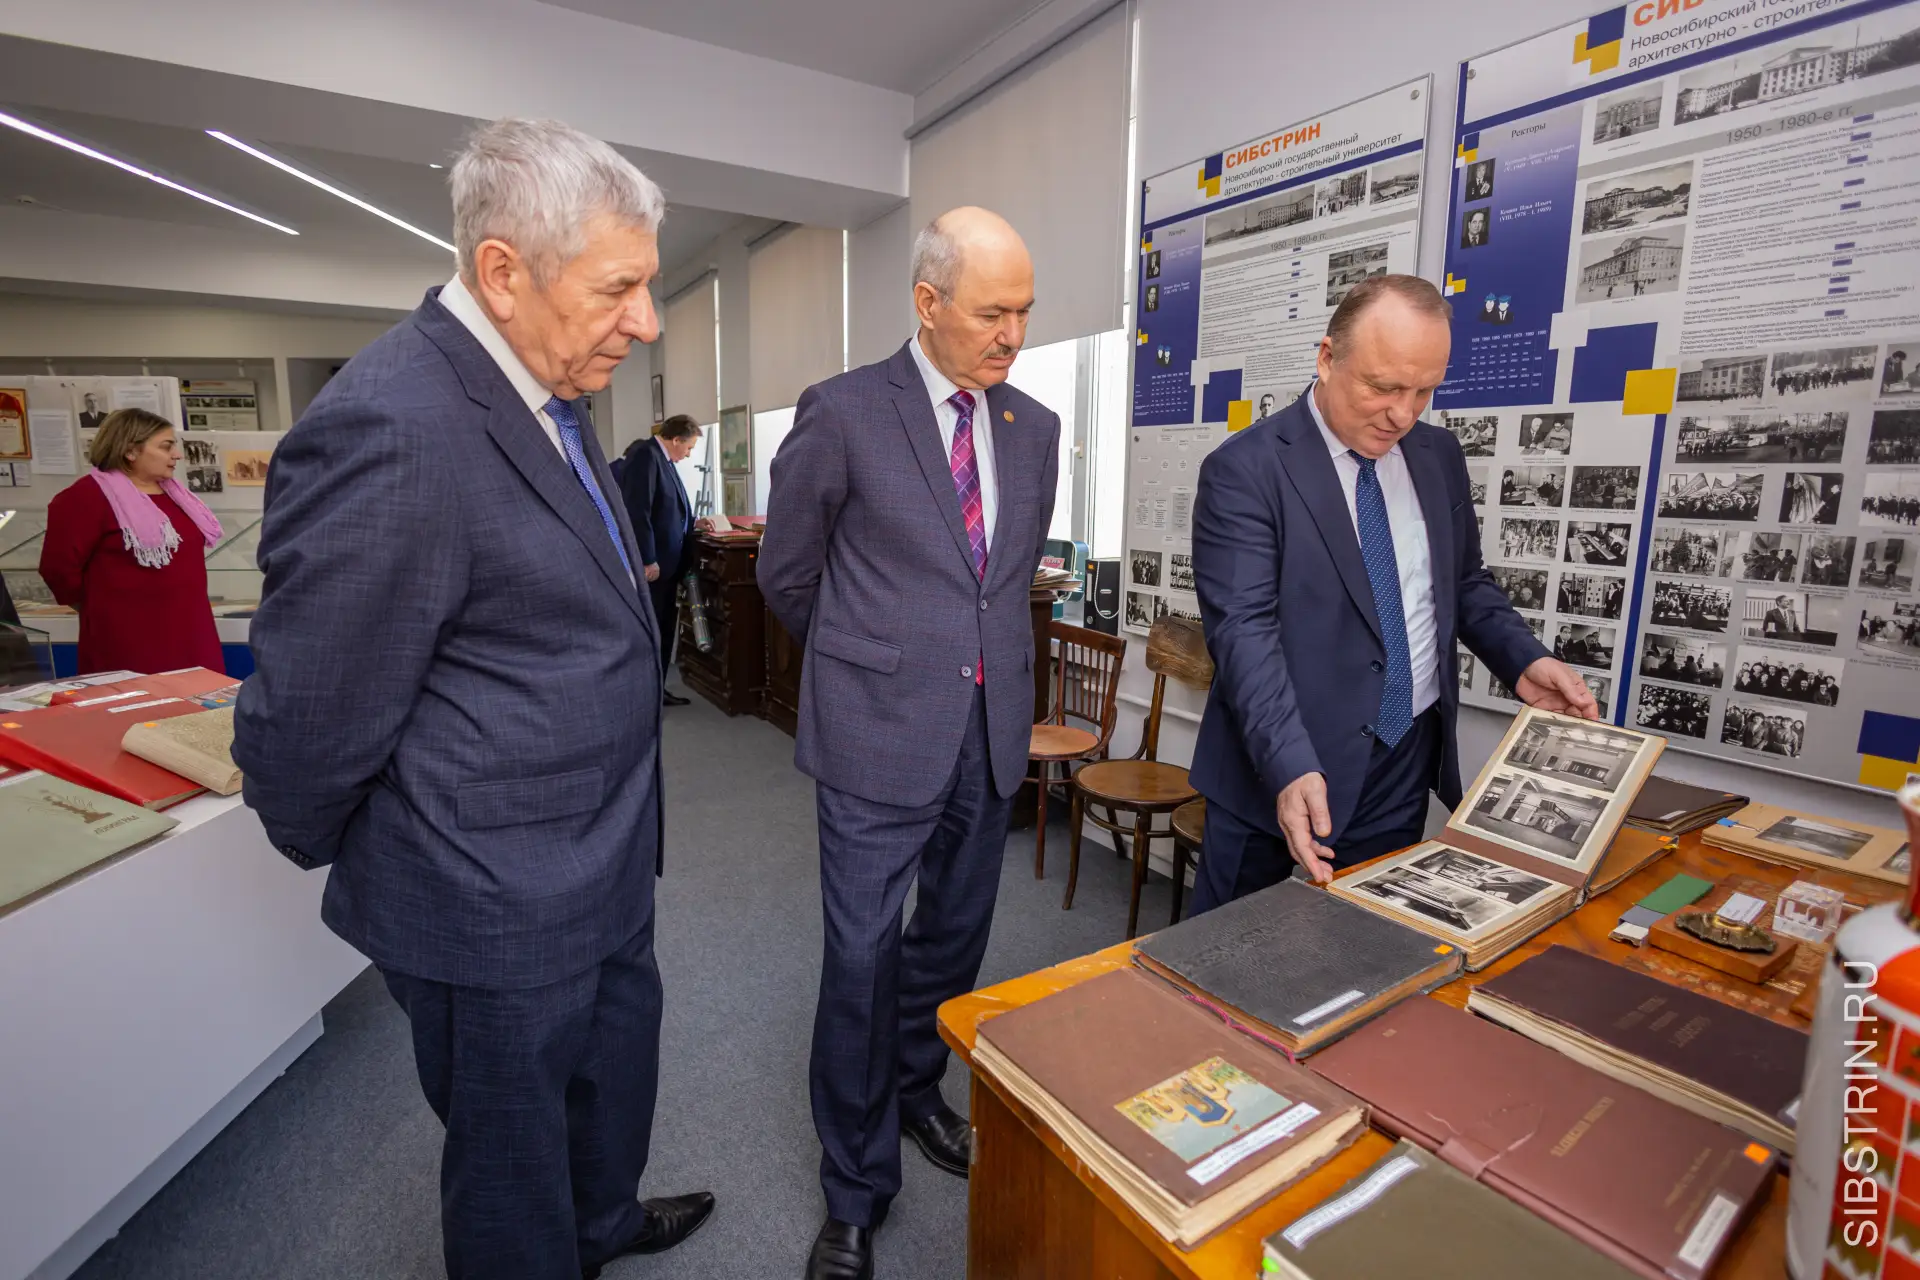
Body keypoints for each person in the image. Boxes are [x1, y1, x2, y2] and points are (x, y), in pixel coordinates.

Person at [231, 119, 712, 1280]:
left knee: (608, 1085)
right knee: (509, 1174)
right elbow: (308, 722)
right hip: (490, 896)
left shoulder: (548, 384)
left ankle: (602, 1222)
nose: (647, 321)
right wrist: (409, 856)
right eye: (620, 288)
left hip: (603, 858)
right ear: (503, 271)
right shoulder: (393, 423)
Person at [758, 207, 1060, 1280]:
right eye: (991, 312)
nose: (1012, 333)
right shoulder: (843, 412)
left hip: (989, 735)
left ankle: (915, 1084)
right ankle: (855, 1187)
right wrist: (871, 667)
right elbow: (787, 573)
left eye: (1025, 311)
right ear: (928, 303)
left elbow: (1001, 586)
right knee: (862, 957)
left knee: (951, 942)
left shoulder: (1034, 427)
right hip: (875, 737)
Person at [1188, 275, 1597, 905]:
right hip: (1276, 760)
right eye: (1383, 388)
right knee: (1225, 949)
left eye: (1424, 390)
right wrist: (1289, 763)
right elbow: (1244, 632)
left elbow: (1463, 581)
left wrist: (1524, 660)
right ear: (1328, 358)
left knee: (1368, 944)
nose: (1403, 414)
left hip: (1401, 757)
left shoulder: (1438, 455)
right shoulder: (1246, 469)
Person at [39, 408, 225, 675]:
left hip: (192, 630)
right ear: (130, 451)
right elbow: (58, 569)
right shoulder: (85, 497)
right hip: (126, 637)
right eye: (166, 447)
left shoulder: (178, 496)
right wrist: (102, 607)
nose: (177, 455)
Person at [620, 414, 707, 702]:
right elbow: (638, 511)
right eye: (689, 447)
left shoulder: (664, 460)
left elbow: (669, 510)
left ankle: (657, 689)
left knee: (665, 627)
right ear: (676, 439)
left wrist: (695, 523)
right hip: (655, 564)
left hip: (669, 565)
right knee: (654, 628)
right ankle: (647, 694)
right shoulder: (646, 456)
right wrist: (647, 558)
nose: (689, 454)